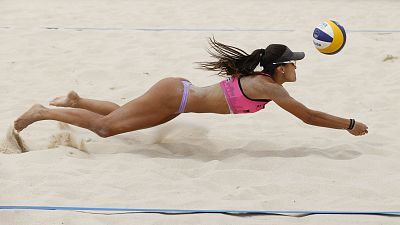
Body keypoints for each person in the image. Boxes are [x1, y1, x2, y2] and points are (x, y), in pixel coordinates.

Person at [14, 38, 368, 137]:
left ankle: (78, 99)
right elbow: (308, 117)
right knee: (107, 129)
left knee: (121, 114)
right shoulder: (271, 89)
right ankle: (43, 112)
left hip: (176, 97)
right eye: (292, 62)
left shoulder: (264, 82)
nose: (296, 66)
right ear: (278, 68)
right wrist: (349, 125)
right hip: (176, 95)